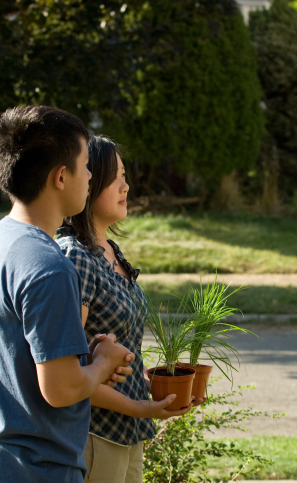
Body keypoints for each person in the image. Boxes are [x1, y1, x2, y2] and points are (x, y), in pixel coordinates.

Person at [0, 106, 134, 483]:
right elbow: (61, 388)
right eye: (86, 165)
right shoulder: (49, 265)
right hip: (37, 468)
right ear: (61, 176)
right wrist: (102, 362)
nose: (90, 176)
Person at [57, 136, 195, 483]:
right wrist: (141, 407)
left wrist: (151, 382)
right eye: (115, 177)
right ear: (90, 182)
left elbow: (118, 346)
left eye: (124, 175)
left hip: (129, 434)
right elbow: (70, 369)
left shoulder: (111, 251)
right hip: (96, 434)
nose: (126, 186)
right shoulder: (76, 256)